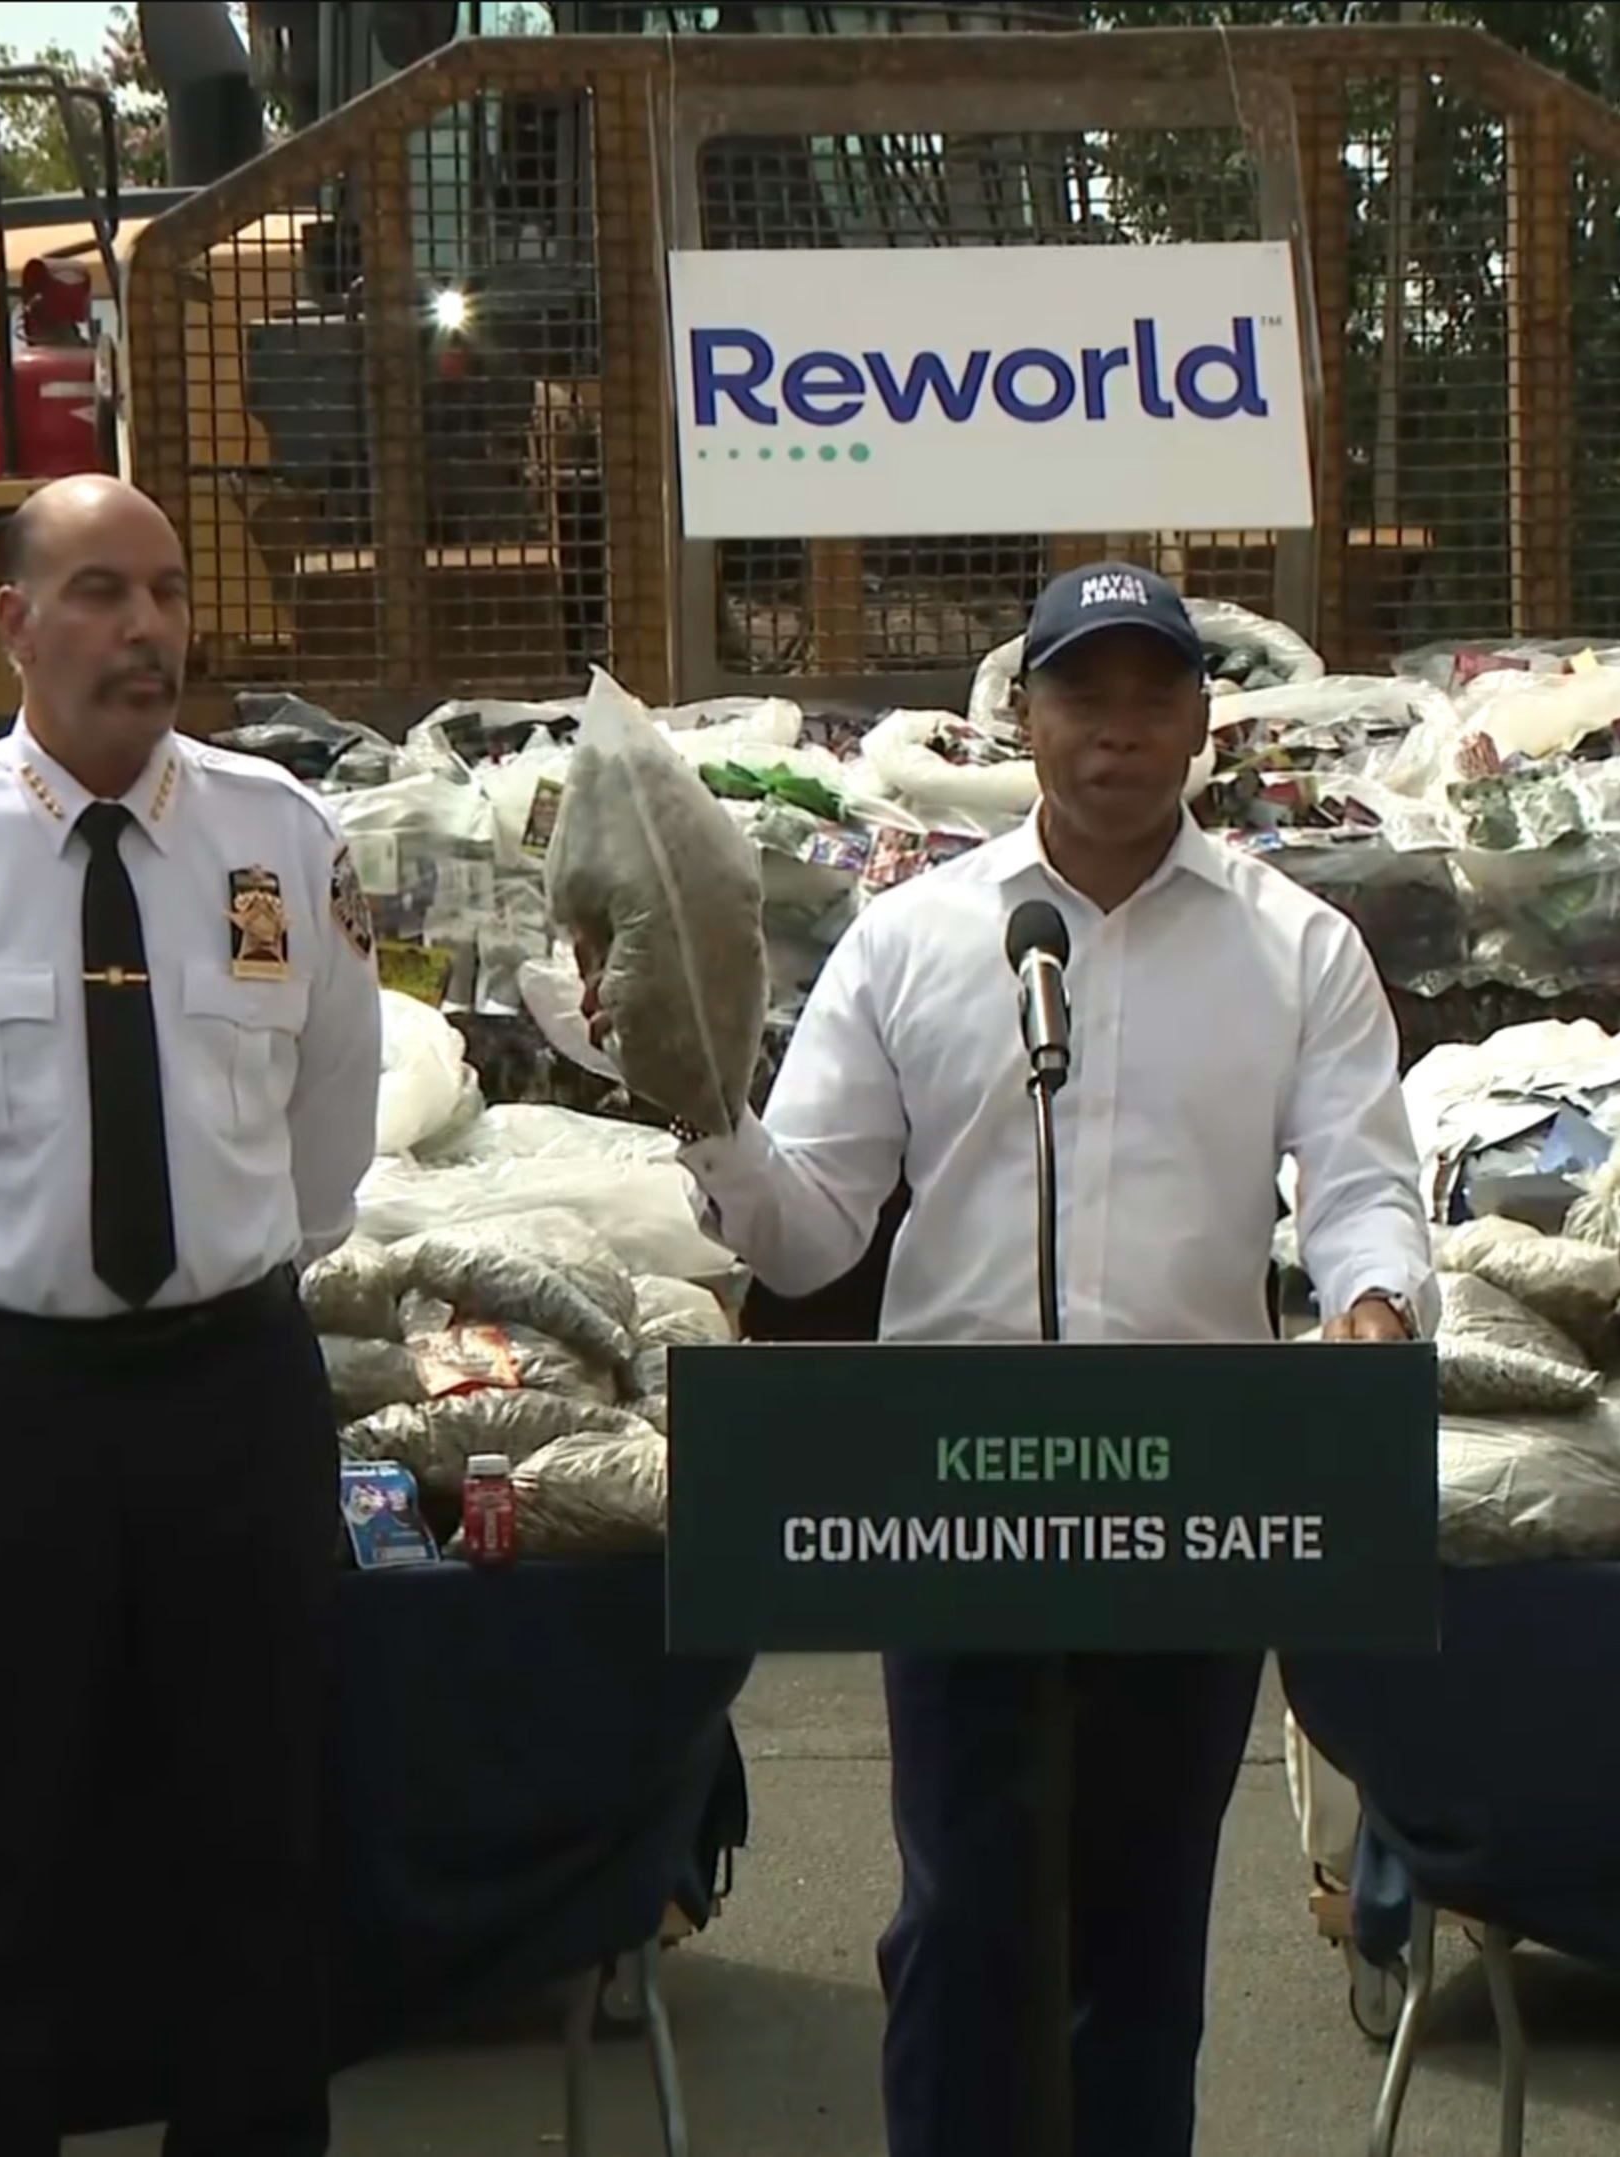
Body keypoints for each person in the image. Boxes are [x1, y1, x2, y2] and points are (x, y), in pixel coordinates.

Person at [594, 561, 1439, 2157]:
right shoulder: (914, 941)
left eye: (1148, 695)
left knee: (1141, 1946)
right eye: (1080, 694)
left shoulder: (1299, 949)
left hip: (1196, 1508)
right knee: (965, 1928)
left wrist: (1373, 1313)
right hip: (957, 1507)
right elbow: (814, 1231)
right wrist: (706, 1110)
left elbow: (1363, 1181)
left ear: (1200, 718)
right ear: (1023, 718)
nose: (1115, 731)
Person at [0, 473, 378, 2157]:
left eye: (168, 593)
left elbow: (330, 1135)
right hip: (2, 1412)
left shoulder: (282, 837)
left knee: (256, 1840)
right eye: (101, 592)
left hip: (231, 1396)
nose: (149, 629)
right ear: (15, 625)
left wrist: (242, 1272)